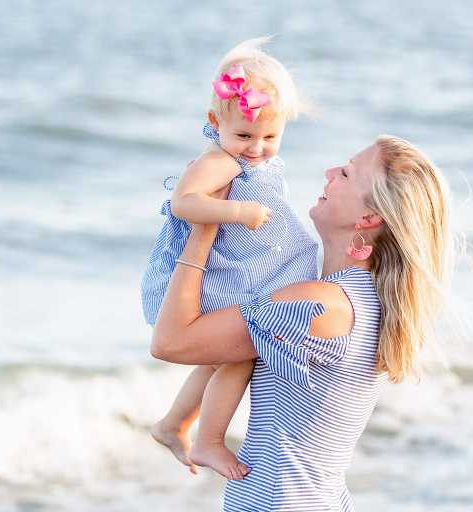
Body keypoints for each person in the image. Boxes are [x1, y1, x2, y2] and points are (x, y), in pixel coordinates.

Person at [151, 136, 455, 510]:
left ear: (368, 218)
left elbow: (170, 342)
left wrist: (204, 227)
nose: (329, 173)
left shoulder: (315, 307)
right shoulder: (367, 302)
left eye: (345, 173)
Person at [140, 37, 318, 480]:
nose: (256, 147)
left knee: (225, 357)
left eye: (270, 136)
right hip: (211, 279)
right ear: (214, 121)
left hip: (232, 275)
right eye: (244, 135)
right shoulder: (220, 160)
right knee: (240, 355)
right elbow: (185, 201)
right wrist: (237, 211)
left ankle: (172, 425)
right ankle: (208, 441)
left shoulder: (244, 158)